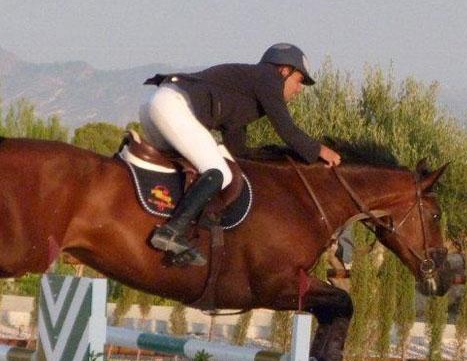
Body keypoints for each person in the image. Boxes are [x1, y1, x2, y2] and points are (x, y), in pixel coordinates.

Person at [139, 43, 342, 265]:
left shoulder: (245, 91)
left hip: (156, 107)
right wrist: (319, 150)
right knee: (219, 172)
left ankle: (157, 217)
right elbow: (287, 130)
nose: (299, 88)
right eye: (299, 80)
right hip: (173, 105)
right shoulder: (268, 78)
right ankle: (171, 232)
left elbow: (237, 148)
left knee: (197, 171)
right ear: (284, 70)